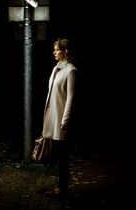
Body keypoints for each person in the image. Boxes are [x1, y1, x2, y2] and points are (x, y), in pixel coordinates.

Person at [42, 38, 78, 197]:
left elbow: (71, 98)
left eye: (56, 49)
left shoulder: (71, 71)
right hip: (53, 116)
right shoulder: (56, 68)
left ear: (65, 52)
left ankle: (62, 187)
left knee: (62, 154)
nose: (54, 52)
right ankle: (59, 185)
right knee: (57, 153)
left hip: (61, 119)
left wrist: (66, 121)